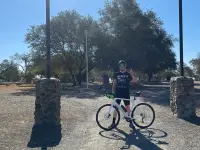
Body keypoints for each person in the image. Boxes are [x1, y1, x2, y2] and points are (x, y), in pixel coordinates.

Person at [110, 60, 136, 129]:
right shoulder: (116, 74)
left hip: (126, 93)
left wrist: (132, 74)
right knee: (116, 108)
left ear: (125, 66)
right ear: (119, 66)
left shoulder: (128, 74)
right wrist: (113, 92)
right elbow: (114, 84)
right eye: (120, 65)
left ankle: (131, 122)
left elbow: (134, 81)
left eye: (123, 65)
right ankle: (113, 123)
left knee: (128, 107)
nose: (122, 66)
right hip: (118, 93)